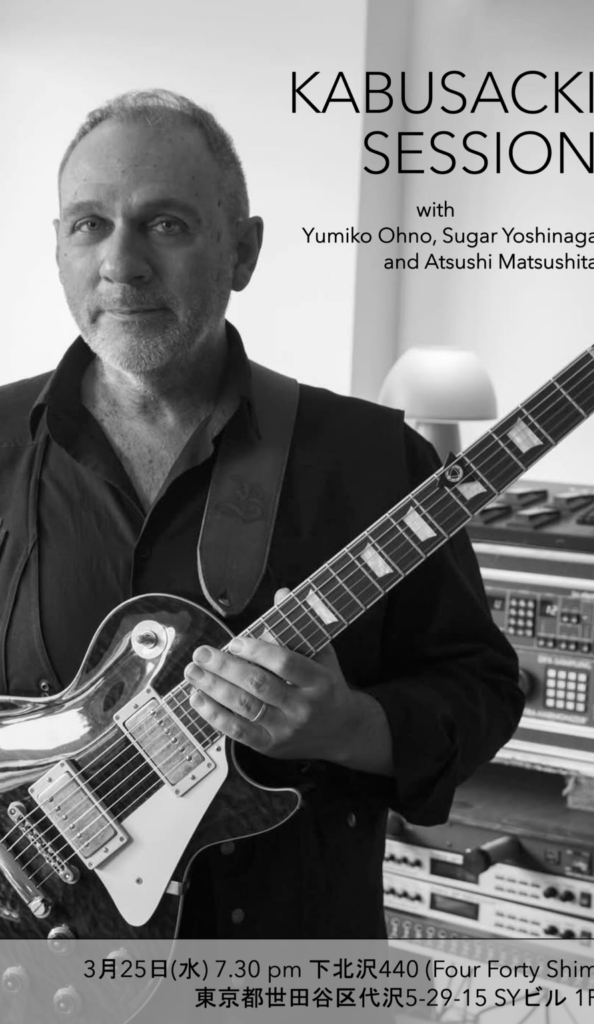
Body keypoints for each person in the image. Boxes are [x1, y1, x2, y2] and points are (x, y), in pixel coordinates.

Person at [0, 89, 523, 938]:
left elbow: (480, 691)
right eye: (90, 225)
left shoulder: (371, 459)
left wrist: (350, 726)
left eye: (166, 224)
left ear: (242, 251)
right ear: (58, 247)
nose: (122, 264)